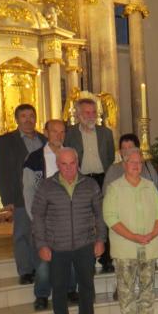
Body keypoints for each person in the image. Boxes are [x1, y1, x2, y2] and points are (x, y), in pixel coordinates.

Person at [31, 147, 106, 314]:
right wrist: (42, 244)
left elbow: (100, 215)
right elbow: (38, 217)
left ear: (77, 163)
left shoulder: (90, 185)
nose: (68, 168)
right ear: (57, 165)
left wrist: (100, 240)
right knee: (59, 286)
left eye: (72, 163)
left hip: (85, 243)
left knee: (86, 285)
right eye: (63, 164)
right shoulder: (46, 186)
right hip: (57, 245)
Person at [103, 149, 158, 314]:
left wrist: (152, 234)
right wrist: (134, 237)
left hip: (149, 243)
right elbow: (110, 217)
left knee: (147, 281)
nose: (137, 166)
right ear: (124, 164)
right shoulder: (114, 188)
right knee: (125, 283)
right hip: (125, 245)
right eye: (132, 162)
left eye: (140, 163)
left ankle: (145, 312)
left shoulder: (149, 186)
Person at [22, 119, 78, 310]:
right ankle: (42, 294)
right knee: (45, 259)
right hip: (44, 217)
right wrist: (34, 217)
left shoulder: (71, 155)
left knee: (70, 256)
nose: (58, 136)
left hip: (68, 217)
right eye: (54, 131)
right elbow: (28, 190)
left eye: (62, 132)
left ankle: (71, 289)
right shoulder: (34, 158)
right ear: (46, 133)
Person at [0, 104, 47, 285]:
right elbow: (1, 171)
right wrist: (7, 199)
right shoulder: (5, 141)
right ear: (16, 119)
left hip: (43, 195)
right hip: (20, 195)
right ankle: (25, 270)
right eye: (23, 116)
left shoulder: (44, 139)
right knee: (23, 233)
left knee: (40, 233)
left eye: (31, 115)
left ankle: (40, 267)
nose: (28, 119)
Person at [64, 98, 116, 273]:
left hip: (102, 179)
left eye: (94, 112)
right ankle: (87, 260)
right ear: (78, 114)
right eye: (87, 112)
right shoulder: (69, 133)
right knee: (84, 219)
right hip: (81, 180)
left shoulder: (106, 133)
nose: (91, 116)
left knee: (105, 216)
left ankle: (106, 258)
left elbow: (109, 157)